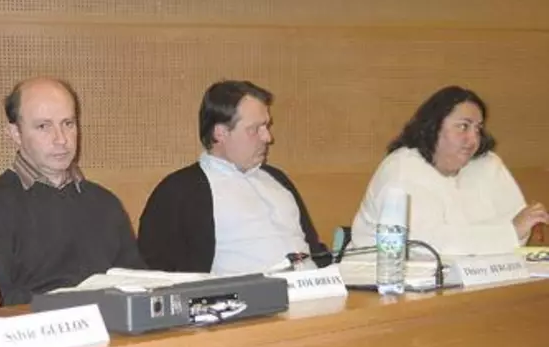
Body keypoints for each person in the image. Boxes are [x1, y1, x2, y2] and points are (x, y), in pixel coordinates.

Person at [0, 77, 144, 305]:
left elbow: (138, 284)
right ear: (15, 134)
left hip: (112, 334)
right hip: (33, 333)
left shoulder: (105, 203)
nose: (61, 139)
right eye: (44, 126)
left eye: (68, 124)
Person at [138, 80, 331, 274]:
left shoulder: (278, 179)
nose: (267, 138)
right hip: (251, 301)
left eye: (266, 126)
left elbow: (314, 249)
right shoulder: (178, 191)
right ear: (221, 133)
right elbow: (158, 272)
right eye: (255, 129)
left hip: (318, 293)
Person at [351, 85, 549, 255]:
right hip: (383, 285)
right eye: (463, 126)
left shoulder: (487, 164)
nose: (473, 139)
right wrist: (509, 233)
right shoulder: (403, 167)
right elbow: (427, 245)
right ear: (434, 127)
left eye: (478, 129)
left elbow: (518, 236)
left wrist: (517, 230)